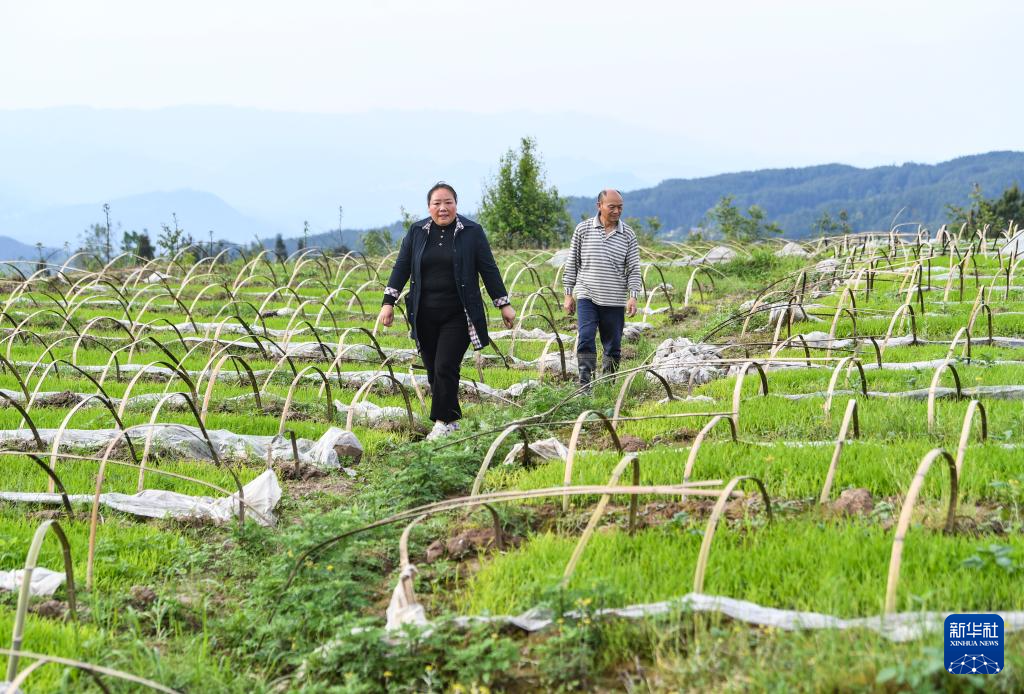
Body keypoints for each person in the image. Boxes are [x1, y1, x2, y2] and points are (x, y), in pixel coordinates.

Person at [378, 182, 516, 440]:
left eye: (448, 202)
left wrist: (503, 304)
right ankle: (452, 420)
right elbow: (401, 267)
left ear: (456, 204)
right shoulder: (417, 231)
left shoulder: (472, 232)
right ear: (429, 207)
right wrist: (388, 302)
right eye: (437, 203)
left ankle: (441, 422)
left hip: (459, 314)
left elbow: (489, 269)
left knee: (445, 366)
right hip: (424, 313)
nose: (443, 208)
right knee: (433, 369)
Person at [562, 189, 641, 388]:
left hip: (614, 298)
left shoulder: (628, 234)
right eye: (611, 207)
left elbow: (633, 268)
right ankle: (584, 385)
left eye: (620, 207)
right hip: (587, 294)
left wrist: (633, 296)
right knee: (586, 337)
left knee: (613, 345)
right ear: (599, 206)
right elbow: (572, 263)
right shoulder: (583, 229)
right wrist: (568, 294)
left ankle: (607, 385)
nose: (616, 211)